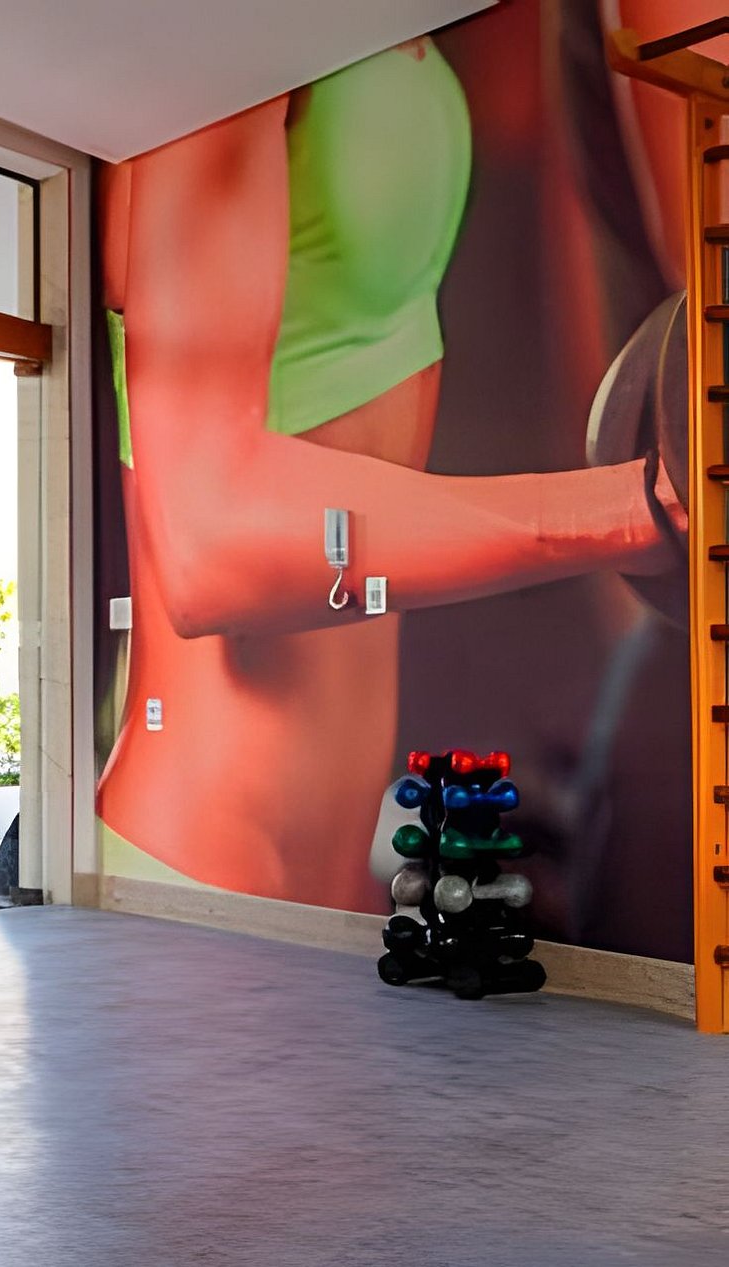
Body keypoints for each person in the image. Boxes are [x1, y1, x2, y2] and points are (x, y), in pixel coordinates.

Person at [97, 32, 686, 911]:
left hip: (335, 885)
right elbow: (206, 543)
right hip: (195, 874)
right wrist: (632, 507)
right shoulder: (216, 43)